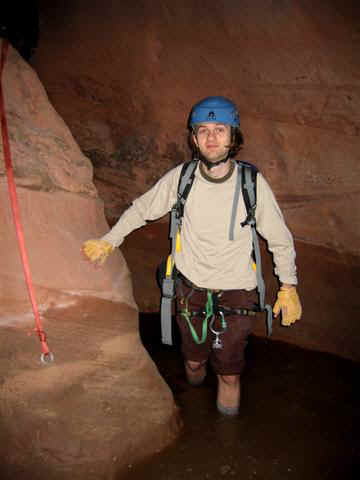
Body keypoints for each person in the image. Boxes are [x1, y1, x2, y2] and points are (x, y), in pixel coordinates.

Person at [82, 96, 302, 416]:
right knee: (194, 362)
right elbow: (143, 209)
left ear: (233, 136)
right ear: (194, 138)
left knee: (228, 373)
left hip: (237, 290)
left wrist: (289, 286)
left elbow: (280, 240)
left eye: (220, 129)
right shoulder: (182, 179)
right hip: (190, 286)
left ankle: (226, 441)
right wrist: (109, 241)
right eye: (203, 130)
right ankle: (194, 399)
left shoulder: (251, 184)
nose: (211, 137)